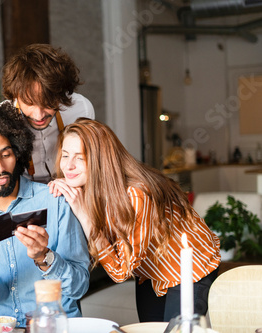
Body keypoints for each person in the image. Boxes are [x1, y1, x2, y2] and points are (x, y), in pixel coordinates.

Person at [48, 118, 221, 322]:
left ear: (101, 160)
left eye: (80, 158)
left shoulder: (135, 195)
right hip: (149, 270)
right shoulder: (82, 190)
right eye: (65, 155)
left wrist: (85, 216)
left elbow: (120, 273)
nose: (68, 166)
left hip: (191, 266)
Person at [0, 97, 90, 327]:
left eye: (6, 154)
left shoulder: (55, 201)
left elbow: (79, 287)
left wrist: (45, 257)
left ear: (18, 153)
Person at [0, 43, 95, 215]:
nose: (39, 115)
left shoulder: (82, 109)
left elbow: (92, 162)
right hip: (22, 209)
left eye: (48, 103)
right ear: (15, 95)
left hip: (72, 202)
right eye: (29, 103)